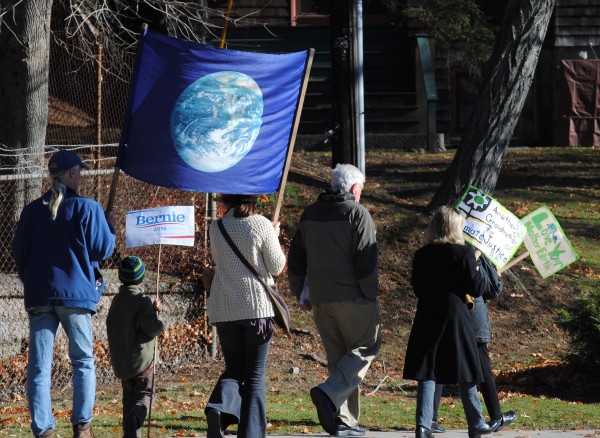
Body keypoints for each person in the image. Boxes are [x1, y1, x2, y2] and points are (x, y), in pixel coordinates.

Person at [11, 150, 116, 438]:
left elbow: (19, 253)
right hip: (77, 297)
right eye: (79, 172)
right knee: (82, 360)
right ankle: (82, 426)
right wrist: (110, 226)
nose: (80, 176)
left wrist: (30, 281)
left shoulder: (31, 211)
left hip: (40, 296)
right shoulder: (88, 208)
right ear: (71, 174)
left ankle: (43, 430)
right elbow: (103, 250)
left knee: (39, 367)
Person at [288, 163, 381, 437]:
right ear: (354, 188)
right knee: (366, 347)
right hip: (354, 297)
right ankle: (329, 394)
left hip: (320, 299)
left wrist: (299, 292)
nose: (361, 193)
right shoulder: (358, 214)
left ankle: (344, 421)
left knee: (339, 360)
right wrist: (371, 293)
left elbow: (296, 259)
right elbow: (366, 259)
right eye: (361, 188)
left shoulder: (309, 214)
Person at [402, 206, 493, 438]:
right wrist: (476, 264)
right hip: (456, 317)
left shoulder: (421, 254)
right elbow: (477, 288)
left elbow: (418, 288)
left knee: (428, 370)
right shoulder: (464, 254)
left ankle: (423, 424)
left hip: (428, 314)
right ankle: (476, 421)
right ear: (456, 227)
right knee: (466, 369)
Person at [204, 194, 286, 438]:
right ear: (252, 200)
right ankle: (250, 433)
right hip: (256, 310)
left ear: (227, 201)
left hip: (225, 308)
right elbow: (277, 266)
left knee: (234, 368)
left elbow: (220, 261)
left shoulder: (216, 227)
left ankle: (219, 407)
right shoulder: (260, 224)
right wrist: (274, 235)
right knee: (254, 376)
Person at [430, 254, 517, 433]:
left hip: (447, 315)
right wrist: (495, 274)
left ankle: (430, 417)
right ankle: (496, 416)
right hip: (473, 319)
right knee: (482, 366)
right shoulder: (475, 253)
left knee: (441, 363)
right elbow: (491, 289)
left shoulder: (444, 251)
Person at [106, 256, 164, 438]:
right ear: (142, 277)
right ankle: (136, 418)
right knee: (145, 394)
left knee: (128, 400)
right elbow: (152, 328)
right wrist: (158, 317)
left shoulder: (117, 301)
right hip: (143, 362)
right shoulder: (142, 301)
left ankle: (130, 434)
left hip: (123, 363)